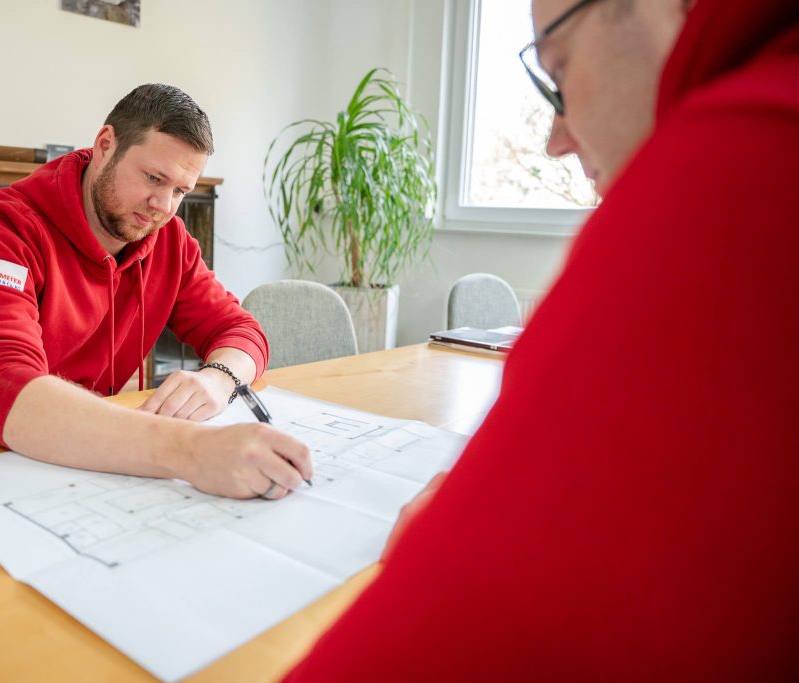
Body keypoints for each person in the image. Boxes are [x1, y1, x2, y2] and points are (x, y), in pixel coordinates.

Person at [285, 0, 798, 679]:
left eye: (558, 70)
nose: (556, 138)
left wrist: (480, 529)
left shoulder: (738, 166)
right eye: (158, 181)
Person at [0, 84, 312, 500]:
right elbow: (2, 387)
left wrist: (219, 381)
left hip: (68, 466)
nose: (164, 205)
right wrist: (191, 450)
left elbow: (241, 330)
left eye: (181, 191)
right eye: (153, 177)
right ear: (105, 144)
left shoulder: (169, 240)